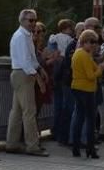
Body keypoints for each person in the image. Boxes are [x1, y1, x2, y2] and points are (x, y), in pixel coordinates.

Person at [6, 8, 49, 156]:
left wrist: (40, 69)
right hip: (22, 74)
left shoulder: (26, 36)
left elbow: (31, 58)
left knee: (17, 111)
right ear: (22, 20)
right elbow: (25, 62)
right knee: (29, 111)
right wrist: (38, 78)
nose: (33, 23)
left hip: (22, 74)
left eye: (35, 20)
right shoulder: (20, 37)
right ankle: (32, 146)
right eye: (30, 20)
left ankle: (12, 143)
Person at [70, 28, 104, 159]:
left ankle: (76, 148)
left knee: (79, 117)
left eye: (95, 42)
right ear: (84, 41)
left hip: (77, 88)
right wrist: (100, 70)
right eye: (91, 42)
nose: (94, 44)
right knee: (90, 120)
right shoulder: (84, 55)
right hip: (86, 90)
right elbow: (91, 75)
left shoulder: (79, 53)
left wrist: (98, 67)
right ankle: (90, 148)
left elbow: (94, 67)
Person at [53, 21, 84, 145]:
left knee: (72, 109)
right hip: (69, 81)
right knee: (69, 108)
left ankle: (70, 136)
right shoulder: (72, 44)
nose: (83, 33)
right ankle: (63, 137)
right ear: (76, 31)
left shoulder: (78, 44)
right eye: (81, 30)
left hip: (75, 82)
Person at [33, 21, 54, 115]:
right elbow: (33, 63)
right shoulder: (29, 45)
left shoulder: (42, 46)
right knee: (32, 109)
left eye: (41, 31)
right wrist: (45, 58)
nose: (38, 33)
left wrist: (52, 58)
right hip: (34, 81)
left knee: (37, 108)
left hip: (42, 79)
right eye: (36, 31)